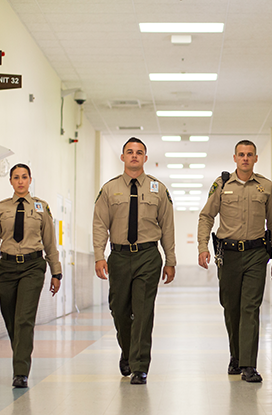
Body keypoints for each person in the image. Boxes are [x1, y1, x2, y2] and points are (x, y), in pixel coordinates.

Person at [197, 140, 272, 383]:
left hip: (257, 254)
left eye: (250, 155)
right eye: (241, 155)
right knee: (231, 307)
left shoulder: (265, 187)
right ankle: (235, 355)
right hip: (229, 255)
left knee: (250, 308)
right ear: (234, 158)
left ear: (256, 158)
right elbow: (206, 216)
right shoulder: (222, 184)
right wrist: (203, 246)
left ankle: (248, 365)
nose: (245, 158)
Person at [93, 137, 176, 385]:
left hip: (148, 256)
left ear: (145, 158)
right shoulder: (109, 189)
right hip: (118, 256)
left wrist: (170, 259)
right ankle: (128, 352)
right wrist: (99, 255)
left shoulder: (158, 189)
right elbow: (99, 224)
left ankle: (139, 366)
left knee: (142, 312)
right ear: (123, 157)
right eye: (129, 152)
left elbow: (168, 227)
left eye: (139, 152)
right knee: (119, 310)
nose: (134, 156)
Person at [0, 163, 62, 388]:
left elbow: (50, 243)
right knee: (11, 318)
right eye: (16, 177)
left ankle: (20, 372)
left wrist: (57, 272)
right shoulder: (1, 208)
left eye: (24, 177)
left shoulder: (41, 208)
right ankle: (21, 354)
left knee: (24, 318)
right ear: (10, 181)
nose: (20, 181)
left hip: (32, 267)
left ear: (30, 180)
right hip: (6, 268)